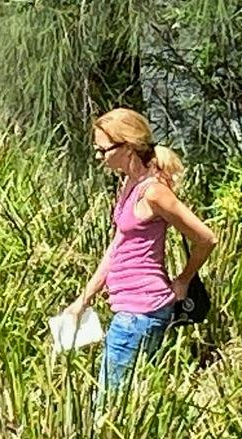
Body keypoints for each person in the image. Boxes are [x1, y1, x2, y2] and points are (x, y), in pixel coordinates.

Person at [61, 108, 219, 394]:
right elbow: (117, 247)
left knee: (108, 406)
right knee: (133, 396)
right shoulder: (129, 182)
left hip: (141, 311)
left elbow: (206, 239)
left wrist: (183, 279)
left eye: (103, 150)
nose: (99, 157)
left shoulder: (154, 192)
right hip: (130, 310)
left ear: (128, 146)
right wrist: (83, 299)